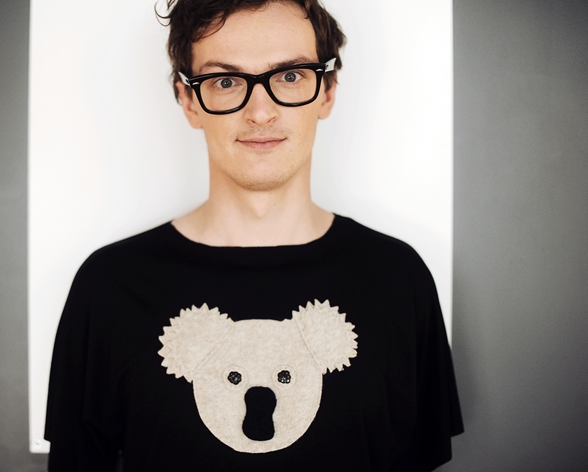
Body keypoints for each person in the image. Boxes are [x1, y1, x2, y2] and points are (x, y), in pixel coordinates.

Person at [44, 0, 463, 470]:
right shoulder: (109, 287)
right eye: (226, 81)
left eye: (290, 76)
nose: (260, 112)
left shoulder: (397, 279)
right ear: (188, 100)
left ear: (327, 92)